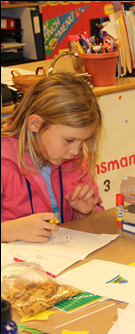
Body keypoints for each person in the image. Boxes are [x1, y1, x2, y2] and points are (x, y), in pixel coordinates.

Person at [1, 72, 104, 243]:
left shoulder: (75, 162)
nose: (76, 152)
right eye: (69, 140)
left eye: (82, 142)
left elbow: (97, 219)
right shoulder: (5, 164)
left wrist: (87, 212)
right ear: (36, 124)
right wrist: (13, 230)